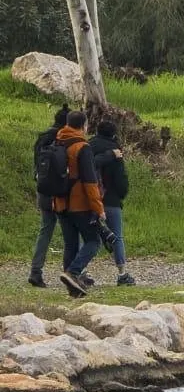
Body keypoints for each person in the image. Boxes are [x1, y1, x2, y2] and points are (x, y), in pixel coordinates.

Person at [50, 111, 106, 297]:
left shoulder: (57, 142)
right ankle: (73, 273)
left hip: (59, 202)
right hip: (79, 203)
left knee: (70, 244)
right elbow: (90, 182)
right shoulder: (82, 147)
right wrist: (98, 208)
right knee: (93, 241)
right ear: (84, 125)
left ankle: (73, 288)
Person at [89, 119, 134, 286]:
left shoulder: (89, 146)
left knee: (89, 237)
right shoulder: (115, 151)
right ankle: (122, 273)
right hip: (111, 199)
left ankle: (82, 271)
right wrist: (121, 194)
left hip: (91, 197)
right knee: (117, 236)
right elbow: (121, 179)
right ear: (113, 134)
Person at [29, 105, 69, 288]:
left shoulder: (42, 138)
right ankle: (74, 271)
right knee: (70, 231)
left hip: (42, 189)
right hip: (61, 192)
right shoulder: (63, 140)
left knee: (45, 229)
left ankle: (35, 271)